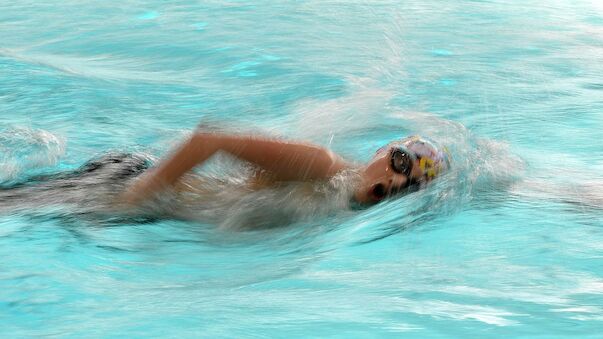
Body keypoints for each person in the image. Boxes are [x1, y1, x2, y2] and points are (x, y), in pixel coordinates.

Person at [120, 130, 450, 208]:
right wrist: (140, 194)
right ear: (383, 152)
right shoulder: (322, 166)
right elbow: (209, 140)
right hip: (123, 186)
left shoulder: (343, 205)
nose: (396, 180)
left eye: (411, 185)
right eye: (401, 162)